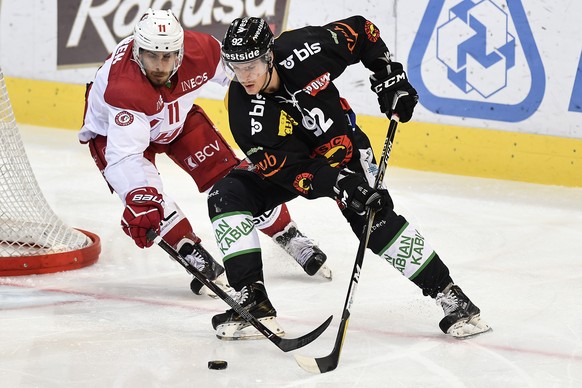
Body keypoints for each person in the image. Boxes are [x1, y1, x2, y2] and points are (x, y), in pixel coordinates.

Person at [206, 16, 491, 339]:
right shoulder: (243, 111)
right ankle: (253, 301)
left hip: (345, 150)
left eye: (252, 66)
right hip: (300, 166)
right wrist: (337, 184)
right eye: (235, 66)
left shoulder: (304, 49)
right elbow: (290, 171)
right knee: (226, 195)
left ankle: (451, 297)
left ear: (269, 56)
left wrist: (387, 75)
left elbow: (362, 31)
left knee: (372, 220)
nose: (244, 76)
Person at [78, 9, 331, 298]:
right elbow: (127, 156)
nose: (160, 66)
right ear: (137, 52)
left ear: (181, 51)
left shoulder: (202, 51)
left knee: (232, 181)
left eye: (167, 57)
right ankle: (188, 248)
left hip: (177, 120)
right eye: (151, 57)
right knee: (148, 202)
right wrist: (140, 198)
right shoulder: (123, 88)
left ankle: (287, 233)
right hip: (114, 136)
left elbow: (245, 79)